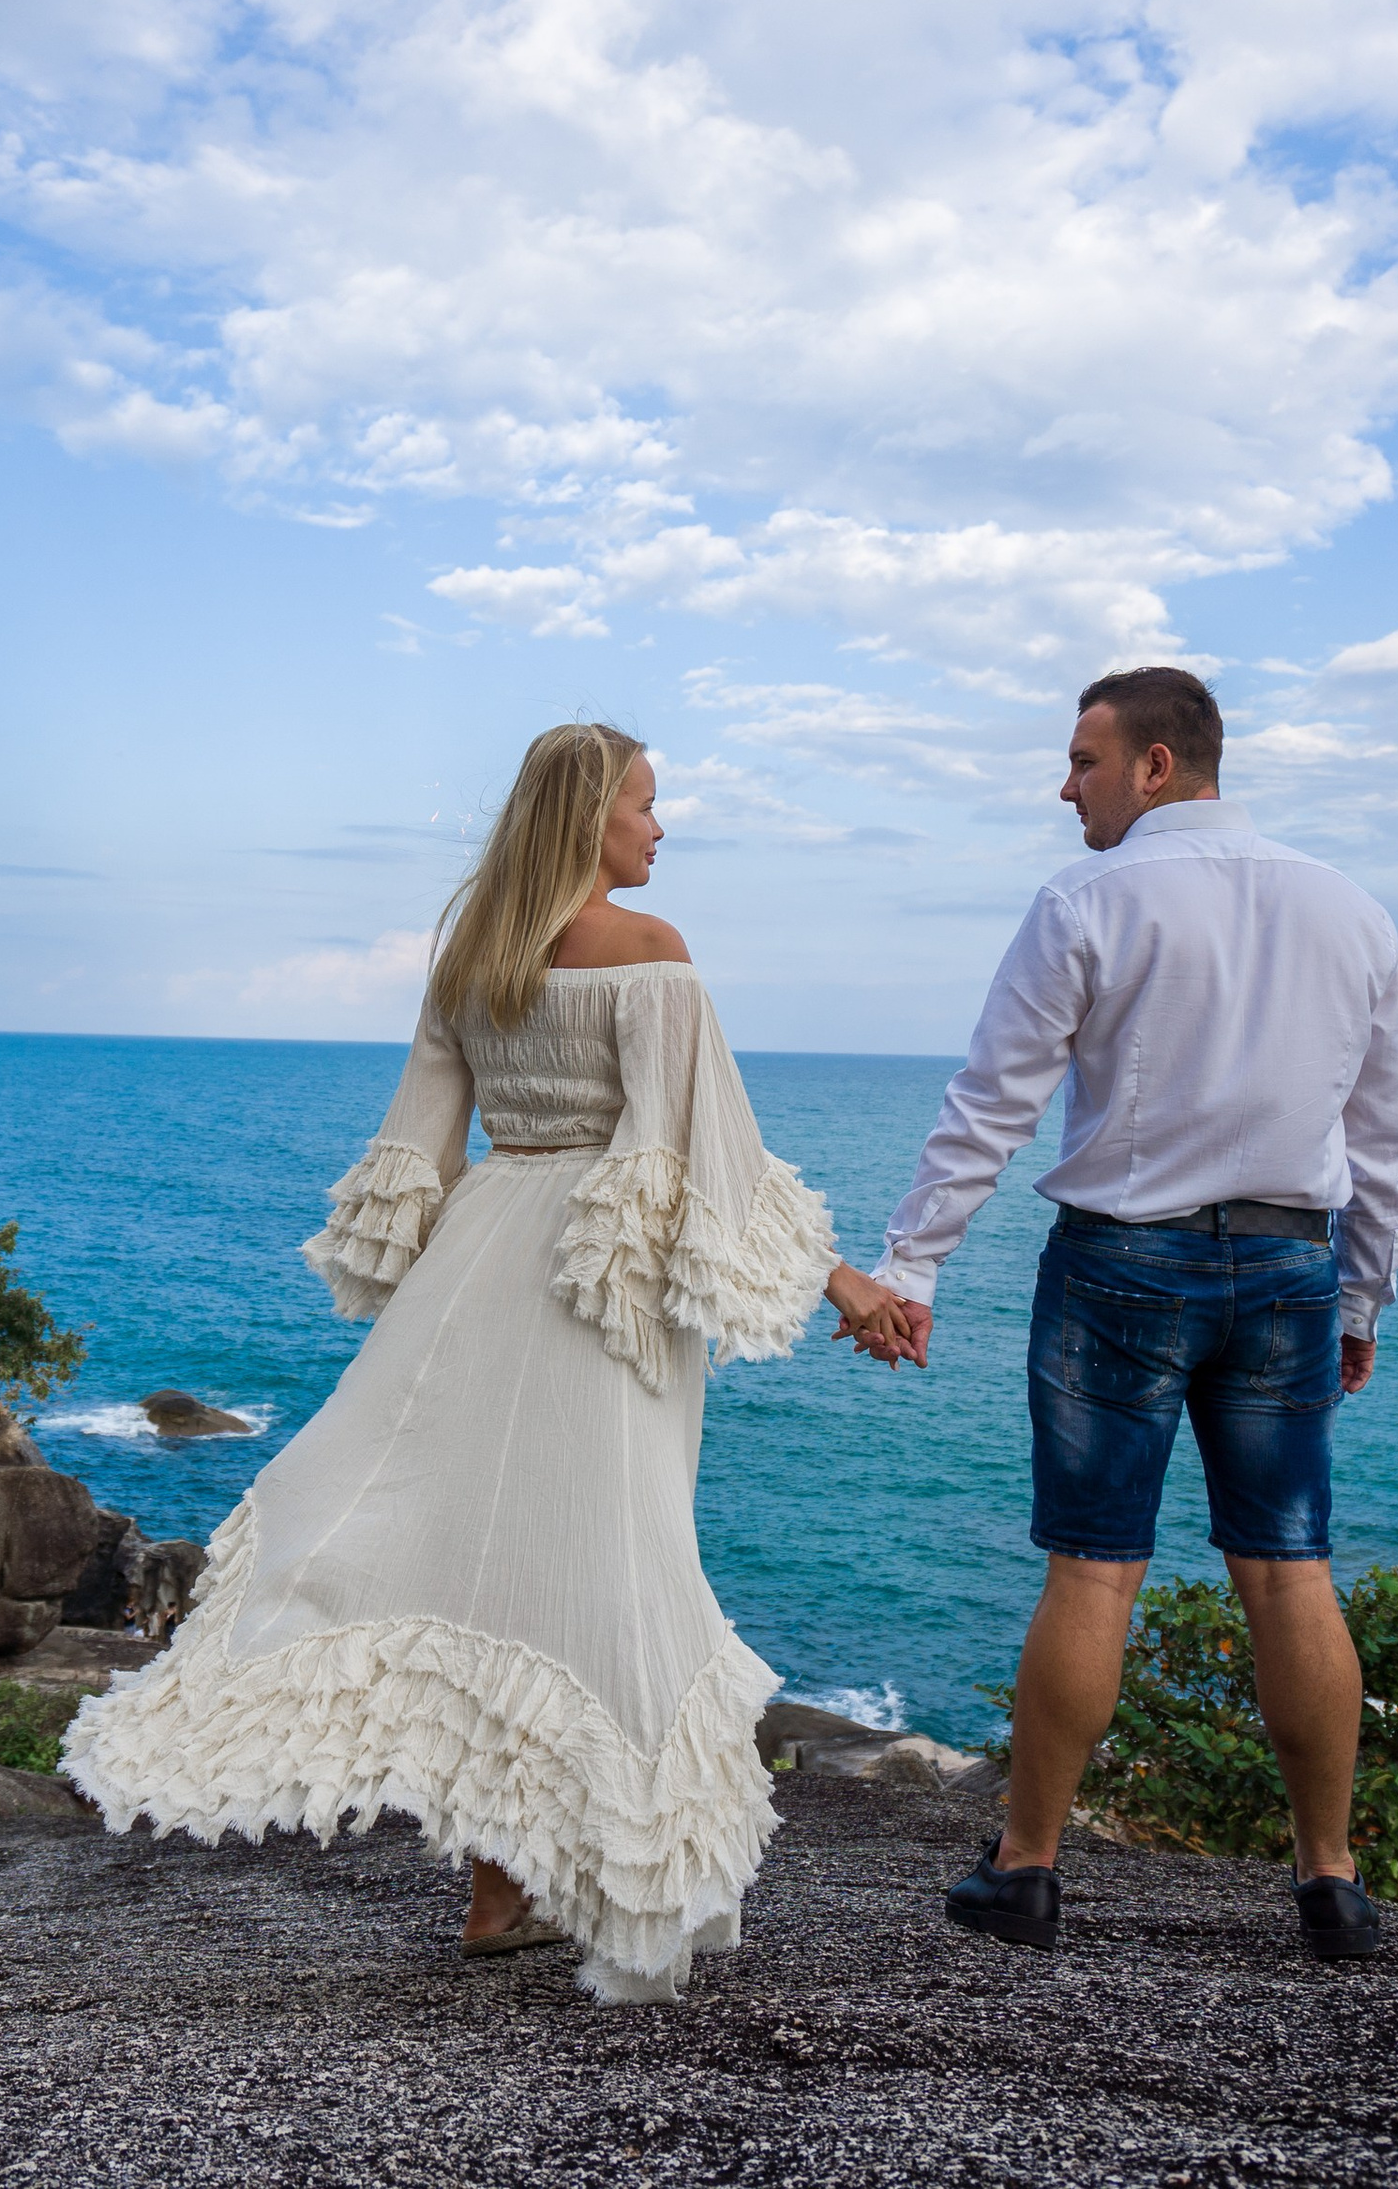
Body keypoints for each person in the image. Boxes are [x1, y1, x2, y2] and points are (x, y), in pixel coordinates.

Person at [62, 723, 912, 2002]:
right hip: (600, 1284)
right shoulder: (650, 952)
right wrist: (843, 1280)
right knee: (608, 1562)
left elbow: (418, 1143)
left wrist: (416, 1276)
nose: (659, 827)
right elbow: (708, 1158)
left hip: (478, 1263)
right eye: (645, 803)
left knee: (498, 1565)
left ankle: (500, 1892)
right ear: (590, 817)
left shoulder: (473, 953)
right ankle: (618, 1886)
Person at [847, 666, 1398, 1962]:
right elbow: (1383, 1141)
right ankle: (1331, 1881)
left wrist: (912, 1267)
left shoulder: (1086, 901)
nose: (1067, 788)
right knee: (1290, 1566)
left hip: (1120, 1267)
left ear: (1157, 764)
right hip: (1291, 1265)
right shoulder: (1351, 910)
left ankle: (1027, 1870)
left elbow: (992, 1100)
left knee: (1095, 1565)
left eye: (1083, 761)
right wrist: (1364, 1295)